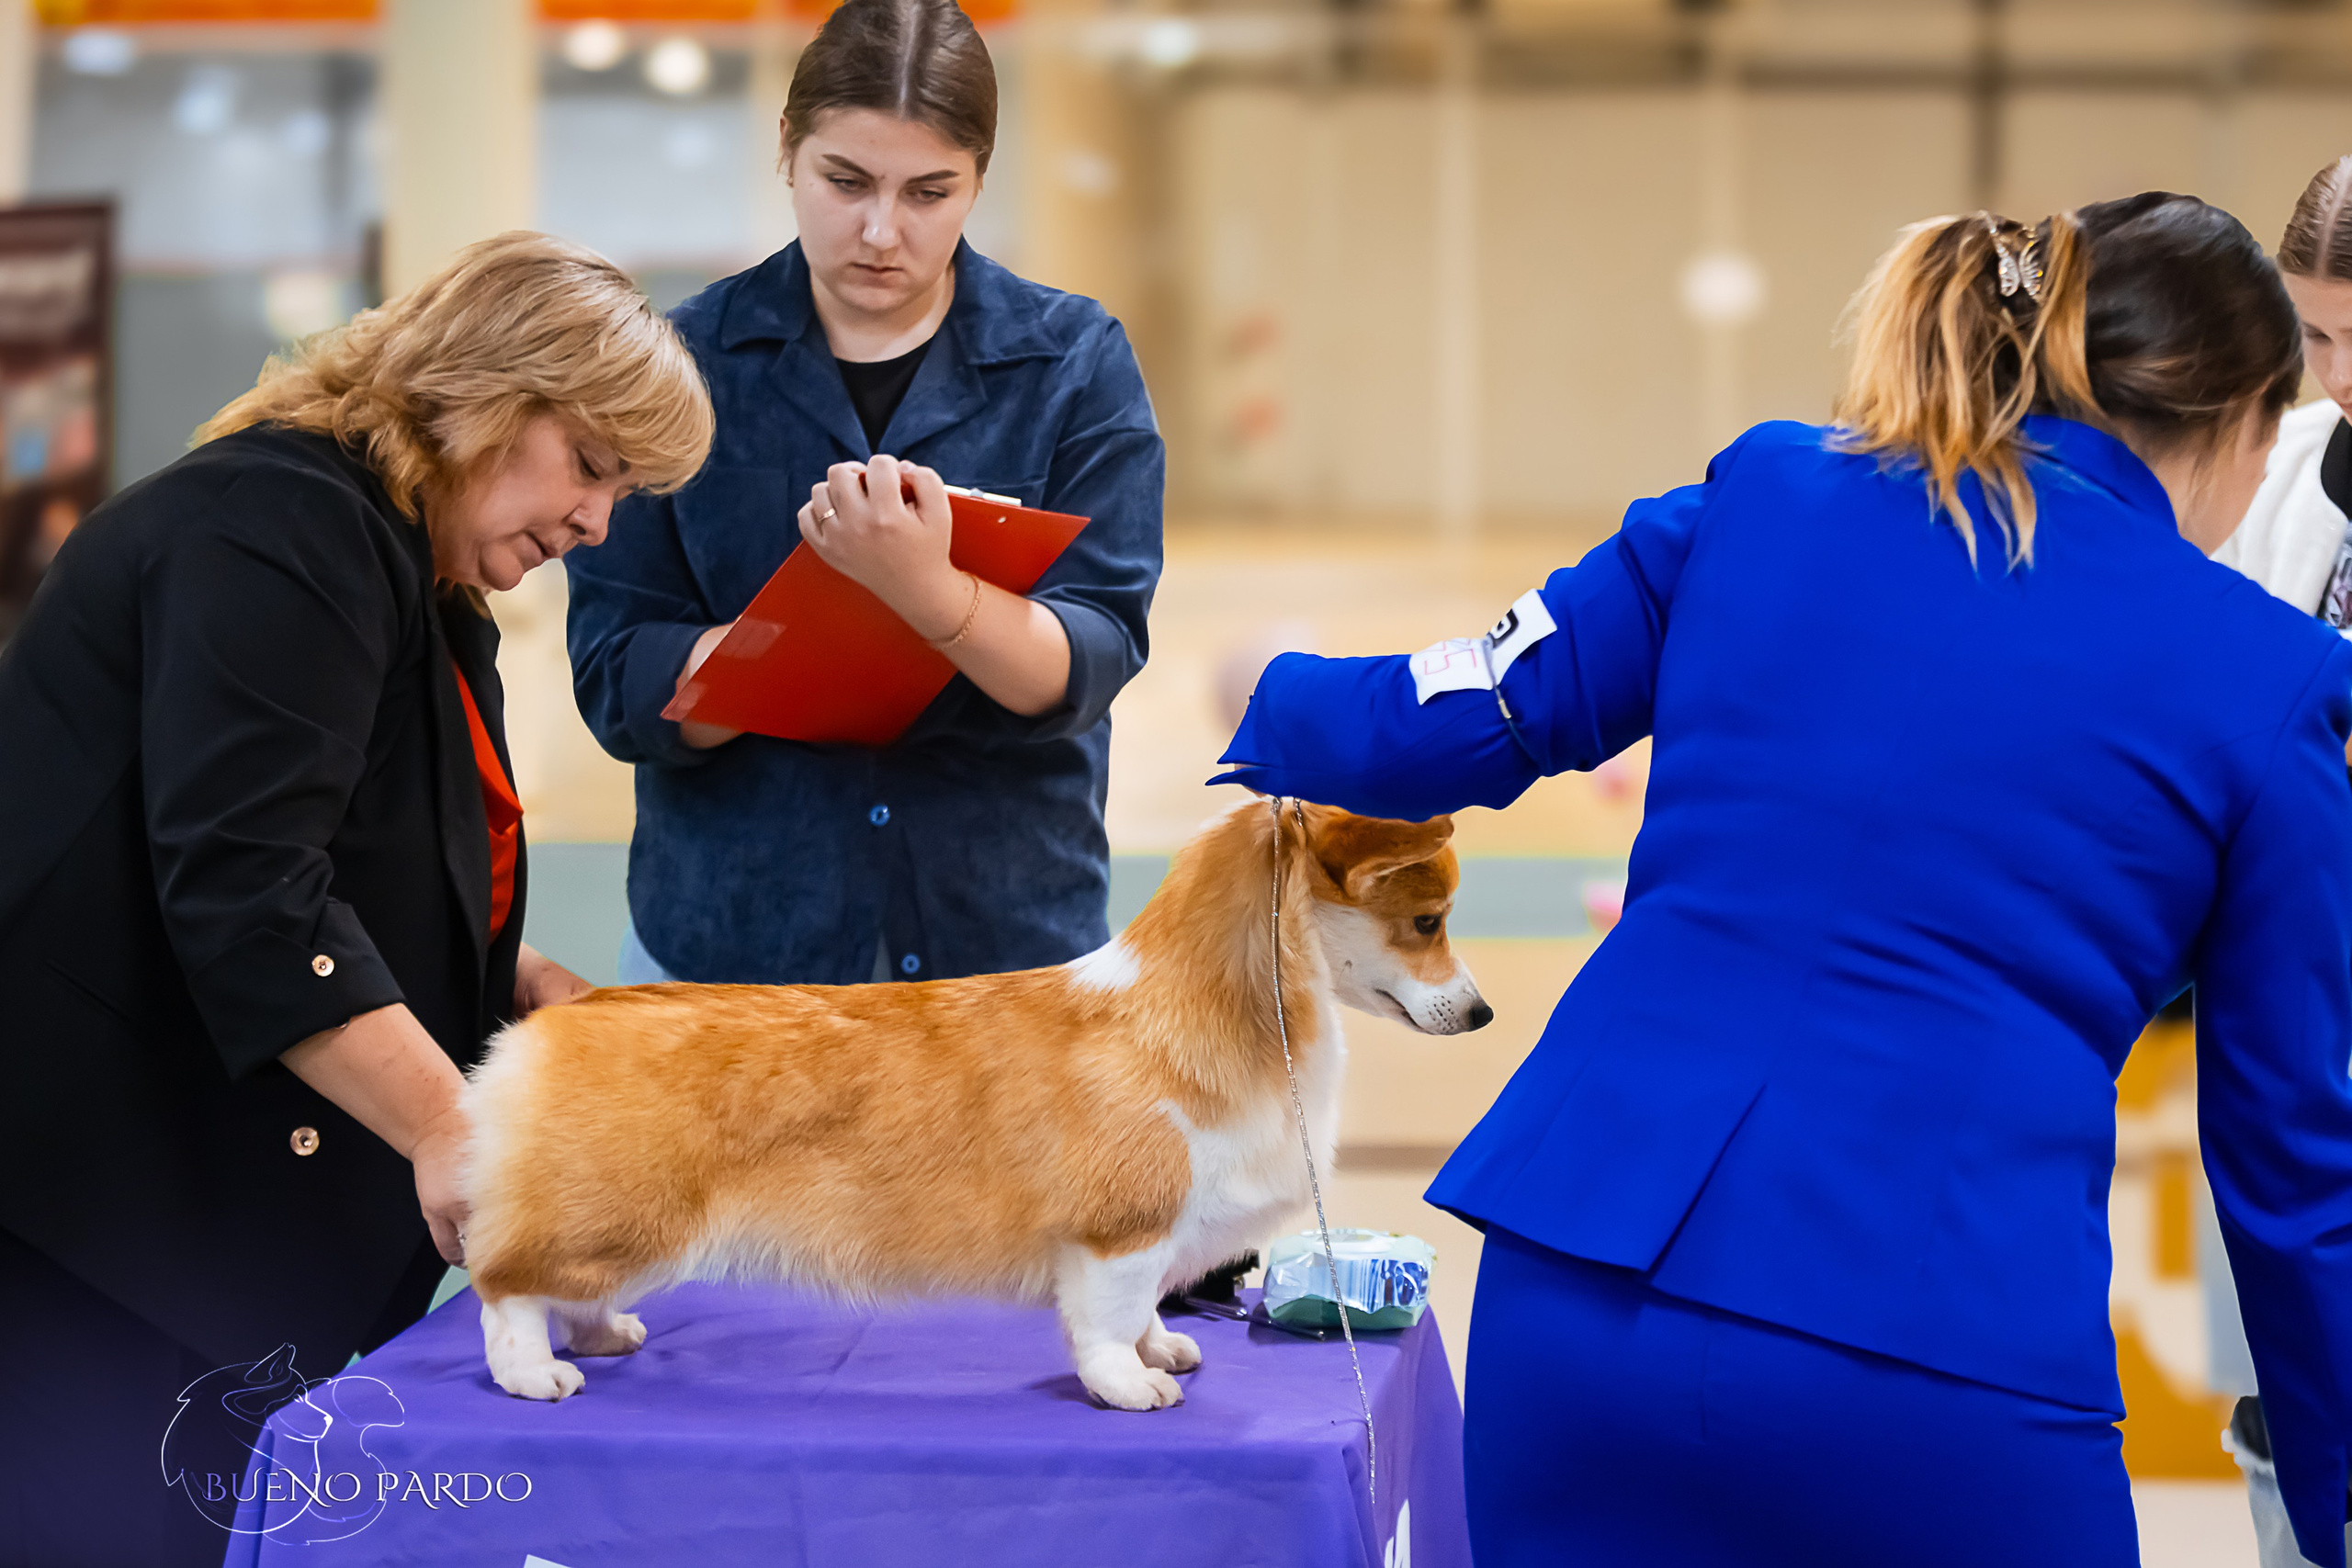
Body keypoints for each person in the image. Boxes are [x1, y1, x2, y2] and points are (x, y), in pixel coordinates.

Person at [1215, 193, 2352, 1568]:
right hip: (1939, 1350)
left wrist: (1229, 691)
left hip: (1580, 1286)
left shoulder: (1766, 489)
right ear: (2242, 423)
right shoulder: (2272, 678)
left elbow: (1453, 713)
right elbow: (2292, 1167)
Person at [0, 231, 713, 1567]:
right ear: (499, 395)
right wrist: (452, 1125)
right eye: (594, 468)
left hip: (193, 1230)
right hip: (99, 1221)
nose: (596, 524)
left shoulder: (413, 577)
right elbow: (247, 885)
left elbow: (355, 862)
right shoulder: (279, 529)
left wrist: (517, 977)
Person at [566, 0, 1164, 989]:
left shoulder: (1073, 365)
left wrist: (927, 595)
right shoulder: (678, 365)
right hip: (736, 950)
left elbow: (1092, 656)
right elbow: (619, 678)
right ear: (787, 152)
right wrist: (806, 646)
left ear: (978, 181)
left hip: (1003, 951)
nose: (880, 231)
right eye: (845, 182)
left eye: (929, 192)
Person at [2200, 152, 2352, 1568]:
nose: (2343, 371)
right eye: (2317, 334)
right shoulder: (2284, 470)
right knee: (2287, 1405)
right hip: (2289, 1026)